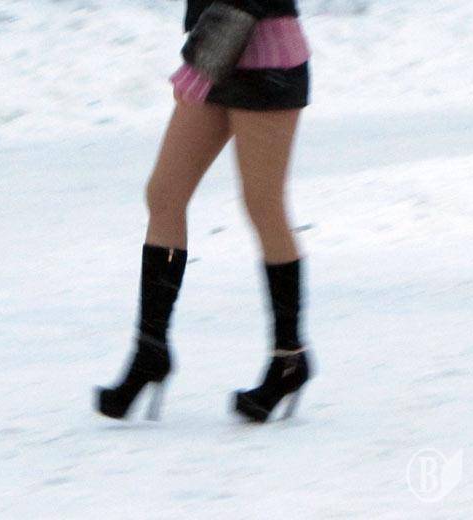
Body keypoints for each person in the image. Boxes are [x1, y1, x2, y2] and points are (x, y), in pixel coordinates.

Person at [95, 0, 313, 422]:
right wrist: (206, 59)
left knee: (263, 205)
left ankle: (289, 358)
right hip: (217, 57)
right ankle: (150, 351)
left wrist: (203, 62)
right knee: (165, 195)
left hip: (267, 62)